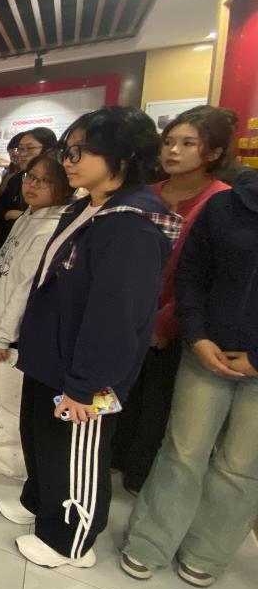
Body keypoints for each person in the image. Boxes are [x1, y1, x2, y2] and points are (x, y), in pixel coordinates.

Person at [0, 107, 179, 569]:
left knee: (77, 451)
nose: (68, 160)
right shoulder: (87, 206)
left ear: (123, 155)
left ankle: (71, 540)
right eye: (68, 150)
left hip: (83, 370)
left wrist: (86, 384)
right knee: (42, 438)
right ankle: (40, 501)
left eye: (80, 150)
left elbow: (117, 316)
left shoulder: (133, 224)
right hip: (50, 355)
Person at [120, 174, 258, 588]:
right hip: (207, 350)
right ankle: (150, 541)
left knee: (241, 465)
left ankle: (206, 552)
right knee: (182, 450)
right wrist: (197, 335)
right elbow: (191, 273)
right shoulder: (228, 204)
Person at [111, 106, 232, 495]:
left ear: (214, 152)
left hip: (181, 322)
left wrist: (167, 321)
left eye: (188, 143)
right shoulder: (147, 194)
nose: (174, 151)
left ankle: (141, 474)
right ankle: (115, 457)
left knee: (160, 403)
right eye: (169, 142)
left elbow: (206, 274)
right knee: (123, 392)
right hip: (132, 312)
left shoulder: (222, 201)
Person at [0, 154, 73, 479]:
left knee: (11, 396)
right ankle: (1, 446)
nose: (33, 185)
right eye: (31, 177)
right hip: (3, 320)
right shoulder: (29, 216)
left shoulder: (50, 228)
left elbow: (25, 288)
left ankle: (11, 459)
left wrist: (3, 335)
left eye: (44, 180)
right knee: (3, 393)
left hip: (17, 332)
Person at [0, 127, 58, 245]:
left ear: (49, 149)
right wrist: (9, 214)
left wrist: (23, 216)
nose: (22, 154)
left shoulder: (61, 182)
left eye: (30, 148)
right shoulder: (17, 179)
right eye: (20, 149)